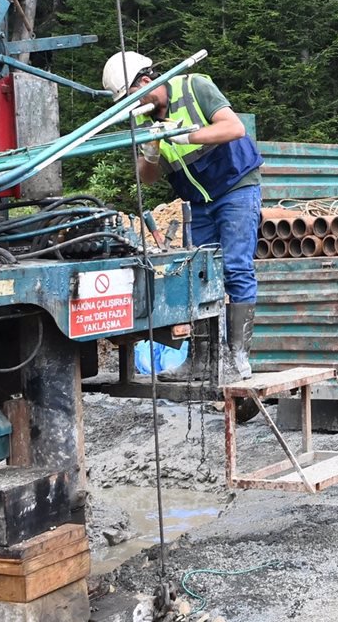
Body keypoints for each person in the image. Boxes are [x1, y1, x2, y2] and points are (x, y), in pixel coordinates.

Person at [103, 51, 263, 394]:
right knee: (199, 277)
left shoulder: (194, 87)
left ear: (146, 82)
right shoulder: (146, 122)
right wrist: (151, 151)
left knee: (235, 268)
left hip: (235, 188)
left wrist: (187, 136)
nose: (132, 107)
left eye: (132, 97)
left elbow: (234, 127)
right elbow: (147, 179)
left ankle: (237, 358)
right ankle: (200, 359)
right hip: (198, 202)